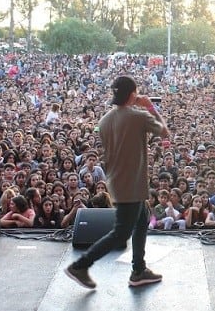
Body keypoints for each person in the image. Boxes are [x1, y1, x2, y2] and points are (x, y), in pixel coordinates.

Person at [65, 75, 168, 290]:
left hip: (120, 181)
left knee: (142, 220)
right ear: (133, 94)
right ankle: (80, 266)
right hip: (131, 184)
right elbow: (164, 131)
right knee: (121, 232)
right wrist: (150, 106)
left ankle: (139, 270)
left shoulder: (104, 120)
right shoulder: (137, 116)